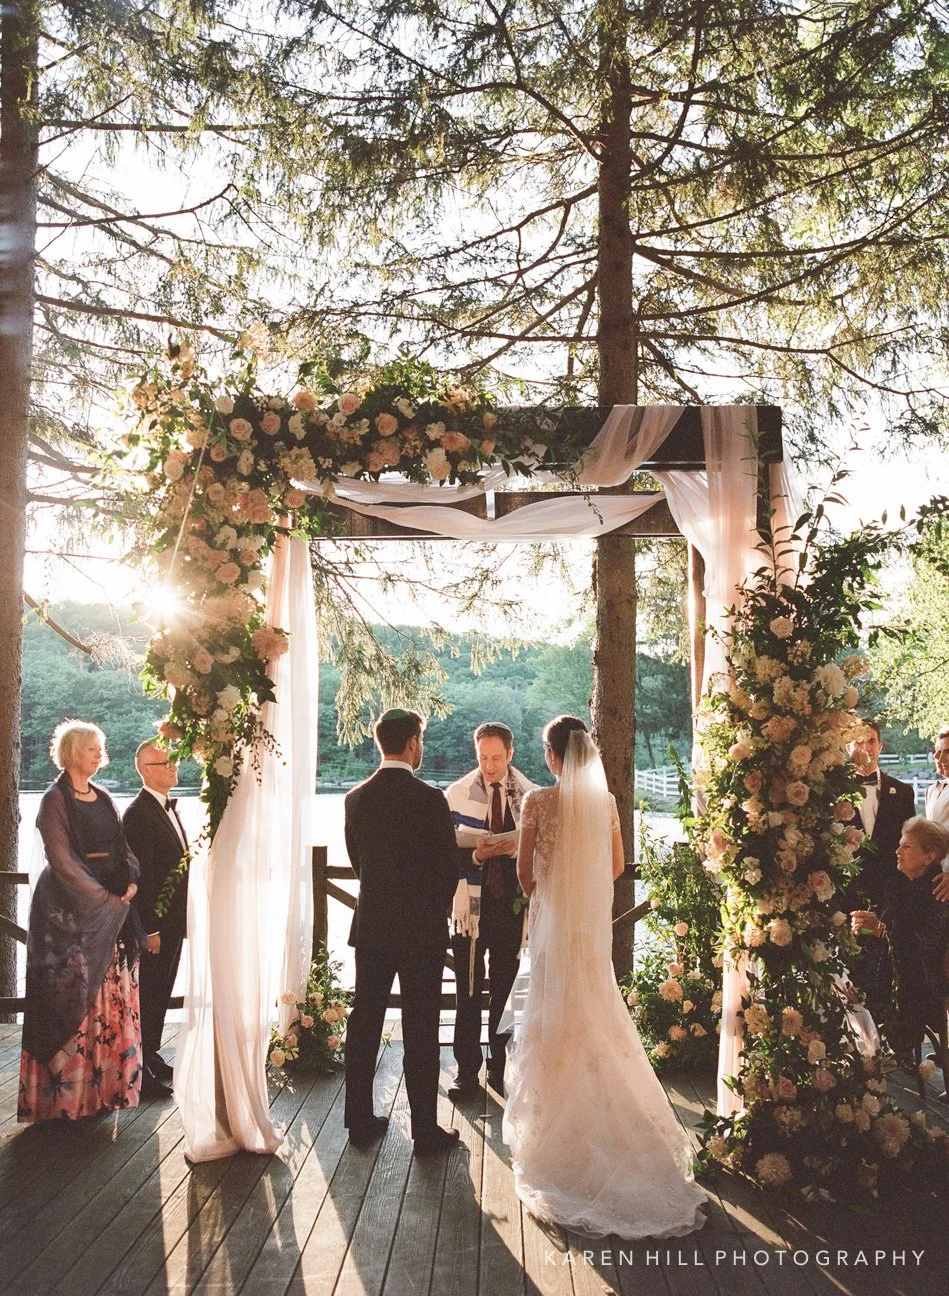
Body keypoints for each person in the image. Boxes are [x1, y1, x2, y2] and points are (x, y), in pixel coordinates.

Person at [502, 716, 707, 1238]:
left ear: (552, 757)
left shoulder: (538, 804)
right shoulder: (607, 804)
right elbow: (615, 867)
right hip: (589, 935)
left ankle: (556, 1132)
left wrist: (549, 886)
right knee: (597, 1010)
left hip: (552, 931)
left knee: (553, 1018)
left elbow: (525, 875)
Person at [343, 709, 460, 1155]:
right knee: (421, 1026)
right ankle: (425, 1130)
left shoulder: (356, 798)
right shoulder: (431, 799)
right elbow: (448, 871)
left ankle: (358, 1119)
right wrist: (427, 911)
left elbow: (359, 864)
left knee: (365, 1020)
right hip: (421, 933)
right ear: (413, 742)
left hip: (371, 927)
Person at [19, 721, 144, 1123]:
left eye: (100, 748)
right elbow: (62, 861)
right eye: (92, 747)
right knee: (70, 999)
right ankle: (66, 1101)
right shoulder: (54, 800)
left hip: (109, 911)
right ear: (73, 751)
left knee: (108, 1001)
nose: (98, 754)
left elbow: (123, 848)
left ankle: (102, 1093)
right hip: (66, 918)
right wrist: (103, 900)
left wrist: (130, 880)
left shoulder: (104, 796)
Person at [444, 721, 536, 1098]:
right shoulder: (457, 794)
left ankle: (501, 1067)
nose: (490, 765)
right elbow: (444, 852)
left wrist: (517, 848)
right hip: (469, 909)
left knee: (506, 990)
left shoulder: (529, 794)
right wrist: (476, 853)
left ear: (510, 754)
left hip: (510, 907)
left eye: (497, 757)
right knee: (467, 990)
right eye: (483, 757)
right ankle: (467, 1071)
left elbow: (542, 850)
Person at [850, 817, 949, 1064]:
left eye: (907, 847)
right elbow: (892, 928)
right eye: (899, 845)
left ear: (929, 857)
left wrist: (881, 929)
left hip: (919, 981)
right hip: (888, 970)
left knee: (852, 998)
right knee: (840, 980)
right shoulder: (897, 884)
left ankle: (869, 1059)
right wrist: (868, 926)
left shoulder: (939, 889)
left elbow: (926, 945)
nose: (897, 851)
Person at [122, 740, 189, 1099]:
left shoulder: (167, 808)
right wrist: (150, 929)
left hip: (174, 920)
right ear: (146, 769)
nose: (173, 767)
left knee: (162, 991)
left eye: (174, 760)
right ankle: (141, 1073)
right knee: (147, 994)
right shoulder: (137, 814)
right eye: (165, 763)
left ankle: (152, 1053)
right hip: (155, 925)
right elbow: (141, 877)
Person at [843, 719, 915, 1021]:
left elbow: (908, 849)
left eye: (870, 740)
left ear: (880, 746)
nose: (864, 747)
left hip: (888, 899)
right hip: (845, 898)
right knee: (847, 976)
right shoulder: (828, 793)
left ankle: (887, 1033)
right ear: (848, 747)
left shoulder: (903, 791)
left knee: (884, 974)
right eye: (858, 741)